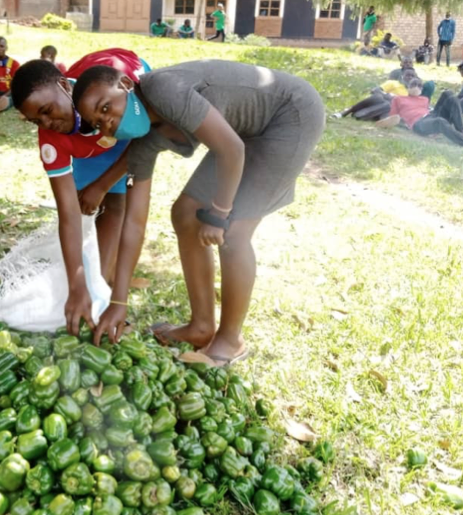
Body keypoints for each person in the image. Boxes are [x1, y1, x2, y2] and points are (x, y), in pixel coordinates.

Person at [71, 61, 325, 363]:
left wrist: (219, 213)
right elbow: (135, 223)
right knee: (185, 213)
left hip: (290, 115)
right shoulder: (143, 141)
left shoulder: (163, 89)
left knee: (233, 232)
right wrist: (119, 301)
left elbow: (232, 150)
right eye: (98, 123)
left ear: (126, 84)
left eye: (105, 108)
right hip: (242, 135)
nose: (107, 122)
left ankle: (230, 341)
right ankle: (201, 326)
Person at [10, 49, 150, 334]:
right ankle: (98, 284)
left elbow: (145, 141)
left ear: (64, 85)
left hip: (129, 123)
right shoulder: (53, 138)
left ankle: (108, 287)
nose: (46, 124)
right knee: (87, 205)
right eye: (36, 121)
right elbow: (69, 214)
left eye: (47, 111)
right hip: (86, 142)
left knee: (116, 202)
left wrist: (102, 185)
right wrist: (77, 287)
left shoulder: (110, 96)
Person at [377, 78, 463, 151]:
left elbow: (431, 111)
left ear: (422, 89)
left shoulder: (424, 99)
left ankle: (461, 131)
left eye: (419, 85)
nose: (416, 87)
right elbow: (393, 117)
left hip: (431, 116)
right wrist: (402, 124)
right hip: (418, 123)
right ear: (408, 86)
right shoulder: (398, 99)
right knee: (440, 121)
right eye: (413, 84)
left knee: (448, 94)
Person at [332, 68, 418, 121]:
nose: (410, 77)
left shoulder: (412, 92)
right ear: (402, 76)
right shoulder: (393, 83)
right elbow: (375, 90)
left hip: (390, 110)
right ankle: (346, 112)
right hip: (381, 101)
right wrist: (389, 95)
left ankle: (383, 120)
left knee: (389, 107)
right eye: (408, 75)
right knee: (379, 99)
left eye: (412, 76)